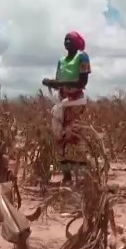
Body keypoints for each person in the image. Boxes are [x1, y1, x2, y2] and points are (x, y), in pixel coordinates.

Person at [42, 31, 91, 184]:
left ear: (77, 43)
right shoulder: (61, 60)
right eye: (65, 39)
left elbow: (82, 83)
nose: (67, 41)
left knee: (75, 137)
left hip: (76, 104)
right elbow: (58, 81)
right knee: (60, 138)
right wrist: (51, 83)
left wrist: (60, 84)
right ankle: (67, 176)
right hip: (62, 102)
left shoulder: (82, 57)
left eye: (70, 39)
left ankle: (82, 177)